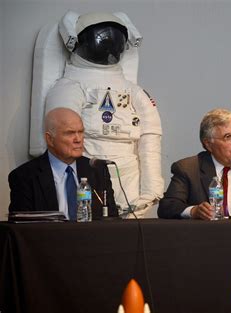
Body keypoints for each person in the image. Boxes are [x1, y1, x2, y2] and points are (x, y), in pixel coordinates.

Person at [45, 12, 164, 218]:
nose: (108, 43)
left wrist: (151, 191)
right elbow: (62, 138)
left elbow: (150, 142)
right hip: (87, 180)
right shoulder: (70, 87)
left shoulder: (133, 91)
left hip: (130, 182)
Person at [8, 108, 117, 220]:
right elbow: (22, 230)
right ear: (50, 139)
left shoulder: (97, 170)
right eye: (70, 133)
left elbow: (112, 220)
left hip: (92, 237)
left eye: (81, 132)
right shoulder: (24, 177)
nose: (78, 139)